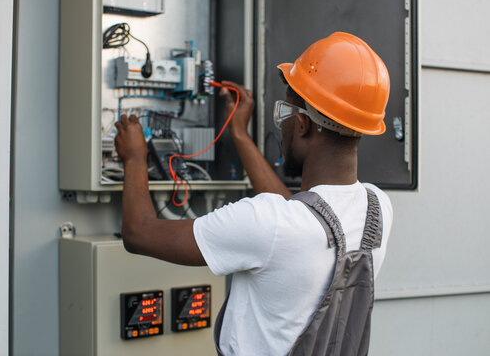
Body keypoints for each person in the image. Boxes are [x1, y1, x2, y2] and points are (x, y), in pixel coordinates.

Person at [115, 32, 393, 356]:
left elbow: (138, 233)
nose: (282, 125)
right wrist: (240, 136)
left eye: (285, 115)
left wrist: (134, 158)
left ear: (303, 125)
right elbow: (300, 215)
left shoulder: (268, 223)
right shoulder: (377, 207)